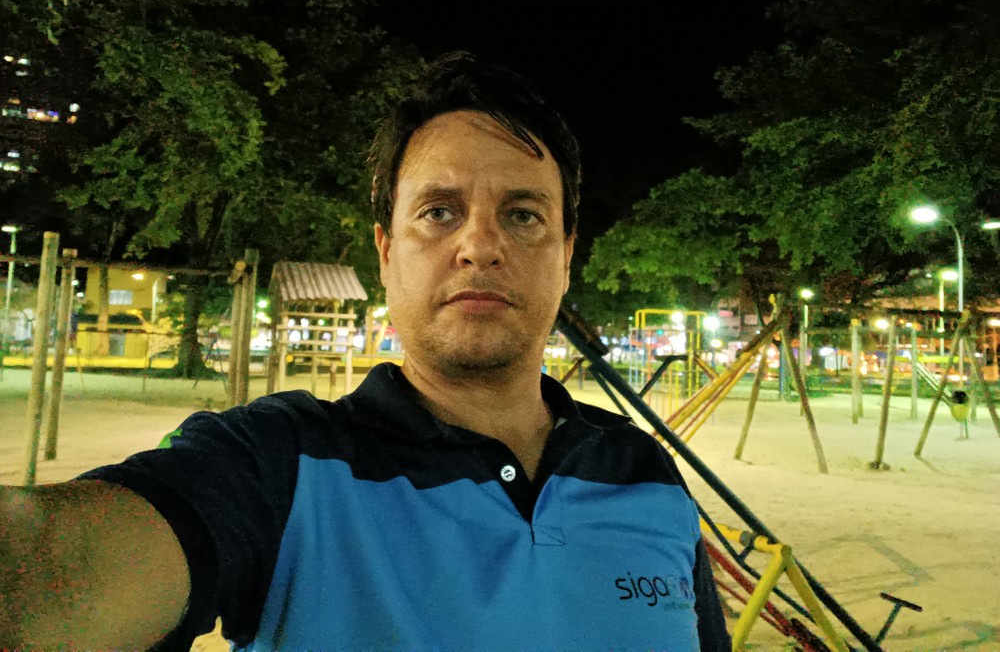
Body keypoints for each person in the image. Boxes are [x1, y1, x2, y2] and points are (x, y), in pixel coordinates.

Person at [1, 52, 730, 650]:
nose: (479, 245)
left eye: (523, 215)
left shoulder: (646, 472)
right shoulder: (277, 465)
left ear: (566, 256)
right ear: (386, 253)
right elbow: (51, 562)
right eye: (439, 212)